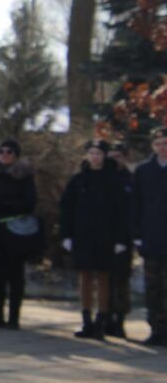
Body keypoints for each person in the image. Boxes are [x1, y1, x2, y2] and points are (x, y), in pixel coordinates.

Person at [60, 140, 130, 340]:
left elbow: (121, 212)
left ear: (105, 155)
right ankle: (86, 319)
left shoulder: (113, 180)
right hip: (83, 236)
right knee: (85, 278)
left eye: (98, 153)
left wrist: (120, 239)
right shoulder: (79, 179)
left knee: (103, 278)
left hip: (106, 237)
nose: (95, 156)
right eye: (91, 152)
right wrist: (66, 235)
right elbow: (67, 209)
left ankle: (101, 320)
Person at [0, 139, 37, 329]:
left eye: (10, 152)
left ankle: (14, 317)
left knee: (15, 275)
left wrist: (6, 205)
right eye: (2, 151)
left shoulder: (24, 176)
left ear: (16, 155)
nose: (5, 154)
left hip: (16, 232)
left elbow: (29, 202)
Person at [131, 127, 167, 346]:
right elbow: (135, 205)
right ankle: (156, 329)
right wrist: (136, 234)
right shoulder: (144, 171)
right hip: (151, 237)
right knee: (153, 288)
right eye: (159, 143)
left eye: (166, 143)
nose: (163, 147)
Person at [106, 141, 134, 338]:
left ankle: (120, 320)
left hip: (124, 238)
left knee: (121, 282)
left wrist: (127, 238)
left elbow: (133, 211)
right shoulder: (102, 178)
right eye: (112, 157)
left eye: (119, 156)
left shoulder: (132, 179)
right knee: (104, 281)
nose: (116, 160)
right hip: (103, 237)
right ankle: (105, 319)